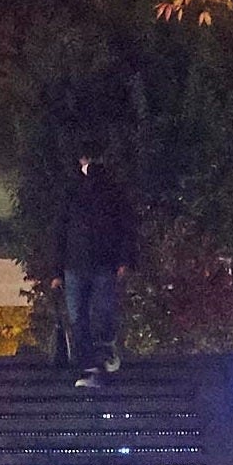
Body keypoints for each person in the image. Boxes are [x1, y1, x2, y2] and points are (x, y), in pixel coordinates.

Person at [57, 139, 136, 374]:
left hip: (87, 261)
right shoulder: (95, 189)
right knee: (92, 313)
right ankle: (96, 357)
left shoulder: (84, 189)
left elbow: (60, 230)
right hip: (92, 261)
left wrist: (56, 270)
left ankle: (94, 358)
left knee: (86, 314)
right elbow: (60, 229)